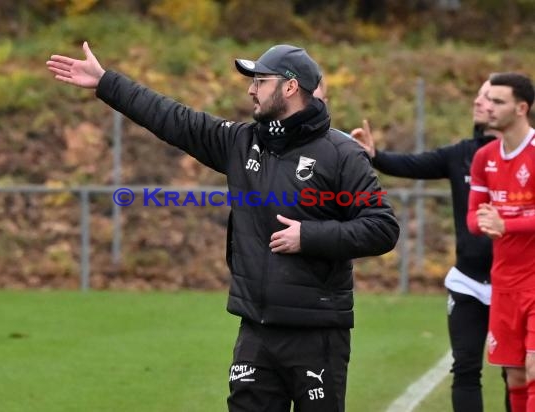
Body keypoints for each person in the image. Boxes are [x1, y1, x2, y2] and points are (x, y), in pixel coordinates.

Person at [46, 42, 399, 412]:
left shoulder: (342, 154)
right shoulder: (241, 143)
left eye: (260, 81)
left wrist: (308, 236)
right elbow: (173, 118)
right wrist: (106, 82)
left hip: (317, 333)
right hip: (256, 331)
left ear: (290, 87)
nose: (251, 90)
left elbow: (382, 227)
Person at [350, 79, 510, 412]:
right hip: (468, 283)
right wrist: (375, 156)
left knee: (517, 373)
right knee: (466, 369)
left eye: (490, 98)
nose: (479, 103)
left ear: (516, 106)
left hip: (514, 283)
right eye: (478, 96)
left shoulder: (527, 156)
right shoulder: (461, 154)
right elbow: (412, 165)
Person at [467, 72, 535, 412]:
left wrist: (506, 224)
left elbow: (502, 223)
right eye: (487, 100)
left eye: (498, 101)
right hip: (505, 284)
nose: (487, 107)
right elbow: (472, 219)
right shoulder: (484, 158)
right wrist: (486, 223)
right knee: (516, 378)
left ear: (521, 108)